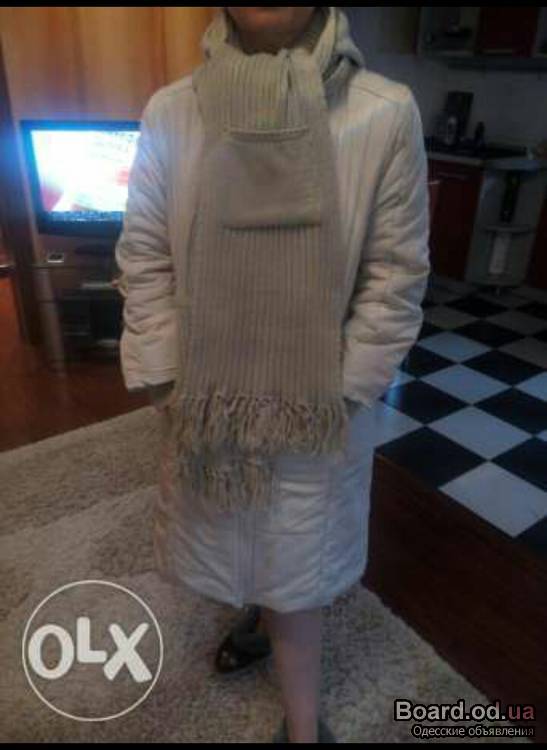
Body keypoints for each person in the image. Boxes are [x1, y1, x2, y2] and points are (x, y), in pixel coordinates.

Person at [115, 7, 430, 743]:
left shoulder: (383, 113)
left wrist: (339, 392)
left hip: (317, 405)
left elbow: (394, 276)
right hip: (207, 399)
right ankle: (252, 612)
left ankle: (301, 726)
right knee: (235, 537)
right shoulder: (171, 112)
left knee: (298, 567)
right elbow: (145, 255)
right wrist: (167, 379)